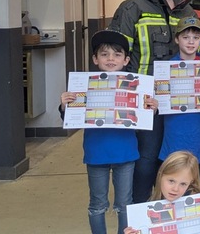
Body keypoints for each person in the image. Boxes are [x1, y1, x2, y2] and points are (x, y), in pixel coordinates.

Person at [108, 0, 200, 203]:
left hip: (180, 98)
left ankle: (179, 214)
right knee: (147, 158)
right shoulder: (132, 7)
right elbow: (116, 55)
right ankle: (138, 211)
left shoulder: (187, 9)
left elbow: (197, 51)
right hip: (146, 98)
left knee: (178, 158)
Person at [59, 30, 155, 234]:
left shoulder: (136, 87)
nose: (111, 59)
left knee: (124, 204)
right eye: (104, 54)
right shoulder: (83, 86)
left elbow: (146, 117)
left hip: (126, 153)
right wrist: (65, 106)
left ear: (126, 59)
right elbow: (71, 118)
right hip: (96, 153)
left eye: (117, 54)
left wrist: (152, 108)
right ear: (95, 59)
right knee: (97, 204)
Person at [157, 16, 200, 180]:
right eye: (185, 37)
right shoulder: (166, 69)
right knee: (173, 182)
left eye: (195, 38)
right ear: (176, 39)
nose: (191, 42)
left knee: (197, 183)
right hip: (175, 135)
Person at [123, 151, 200, 234]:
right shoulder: (151, 205)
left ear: (191, 182)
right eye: (171, 181)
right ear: (161, 176)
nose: (175, 189)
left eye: (183, 184)